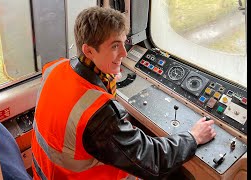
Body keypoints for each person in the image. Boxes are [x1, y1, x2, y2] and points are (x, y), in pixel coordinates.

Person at [31, 6, 216, 180]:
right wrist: (193, 137)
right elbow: (152, 160)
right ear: (88, 51)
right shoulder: (97, 114)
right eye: (114, 46)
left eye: (124, 43)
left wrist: (108, 79)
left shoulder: (55, 69)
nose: (124, 53)